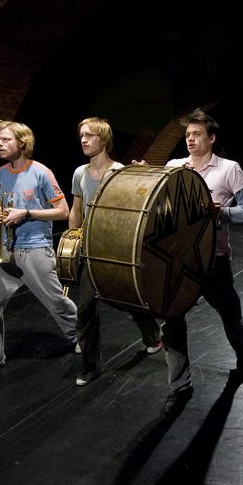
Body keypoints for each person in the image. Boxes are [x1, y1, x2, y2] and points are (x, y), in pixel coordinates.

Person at [158, 109, 243, 415]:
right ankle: (180, 386)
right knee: (172, 320)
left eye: (197, 134)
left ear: (211, 138)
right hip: (179, 260)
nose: (190, 139)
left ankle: (241, 350)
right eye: (187, 134)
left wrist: (223, 212)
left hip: (213, 260)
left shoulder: (229, 169)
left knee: (230, 314)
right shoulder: (173, 167)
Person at [0, 121, 78, 377]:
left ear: (22, 143)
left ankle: (80, 335)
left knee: (56, 302)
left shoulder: (41, 172)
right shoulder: (0, 174)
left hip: (34, 247)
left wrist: (25, 212)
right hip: (4, 246)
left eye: (6, 139)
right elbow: (1, 208)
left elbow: (63, 211)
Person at [70, 116, 163, 386]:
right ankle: (90, 366)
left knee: (128, 301)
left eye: (89, 135)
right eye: (81, 136)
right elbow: (76, 209)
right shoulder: (79, 173)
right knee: (85, 309)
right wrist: (72, 239)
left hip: (114, 249)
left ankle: (153, 336)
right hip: (89, 249)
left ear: (104, 139)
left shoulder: (119, 171)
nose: (84, 140)